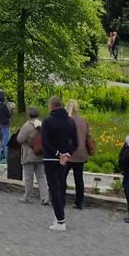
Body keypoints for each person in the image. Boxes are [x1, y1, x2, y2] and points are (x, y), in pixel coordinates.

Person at [41, 96, 78, 232]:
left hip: (51, 158)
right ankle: (58, 217)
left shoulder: (48, 121)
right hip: (64, 160)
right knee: (60, 187)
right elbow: (76, 142)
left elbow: (45, 142)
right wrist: (67, 153)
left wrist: (57, 154)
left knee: (54, 188)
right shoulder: (70, 122)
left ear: (51, 106)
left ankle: (60, 220)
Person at [17, 106, 50, 205]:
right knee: (41, 177)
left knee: (28, 177)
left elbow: (20, 139)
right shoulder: (43, 124)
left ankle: (28, 197)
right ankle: (45, 197)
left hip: (29, 155)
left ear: (28, 115)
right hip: (40, 154)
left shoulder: (27, 126)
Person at [64, 100, 93, 210]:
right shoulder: (83, 121)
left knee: (62, 177)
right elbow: (87, 136)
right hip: (81, 153)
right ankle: (79, 202)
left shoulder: (67, 120)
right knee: (79, 178)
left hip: (69, 152)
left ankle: (61, 198)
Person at [0, 90, 12, 165]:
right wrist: (11, 109)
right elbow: (9, 115)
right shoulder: (3, 105)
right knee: (6, 145)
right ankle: (7, 162)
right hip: (5, 127)